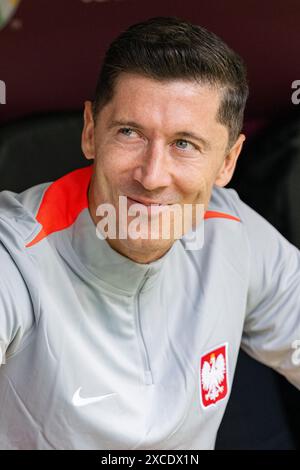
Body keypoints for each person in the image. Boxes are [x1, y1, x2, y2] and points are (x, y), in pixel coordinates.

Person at [0, 15, 299, 450]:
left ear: (228, 161)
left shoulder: (234, 234)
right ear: (90, 132)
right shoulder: (15, 253)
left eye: (184, 144)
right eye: (129, 133)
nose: (153, 175)